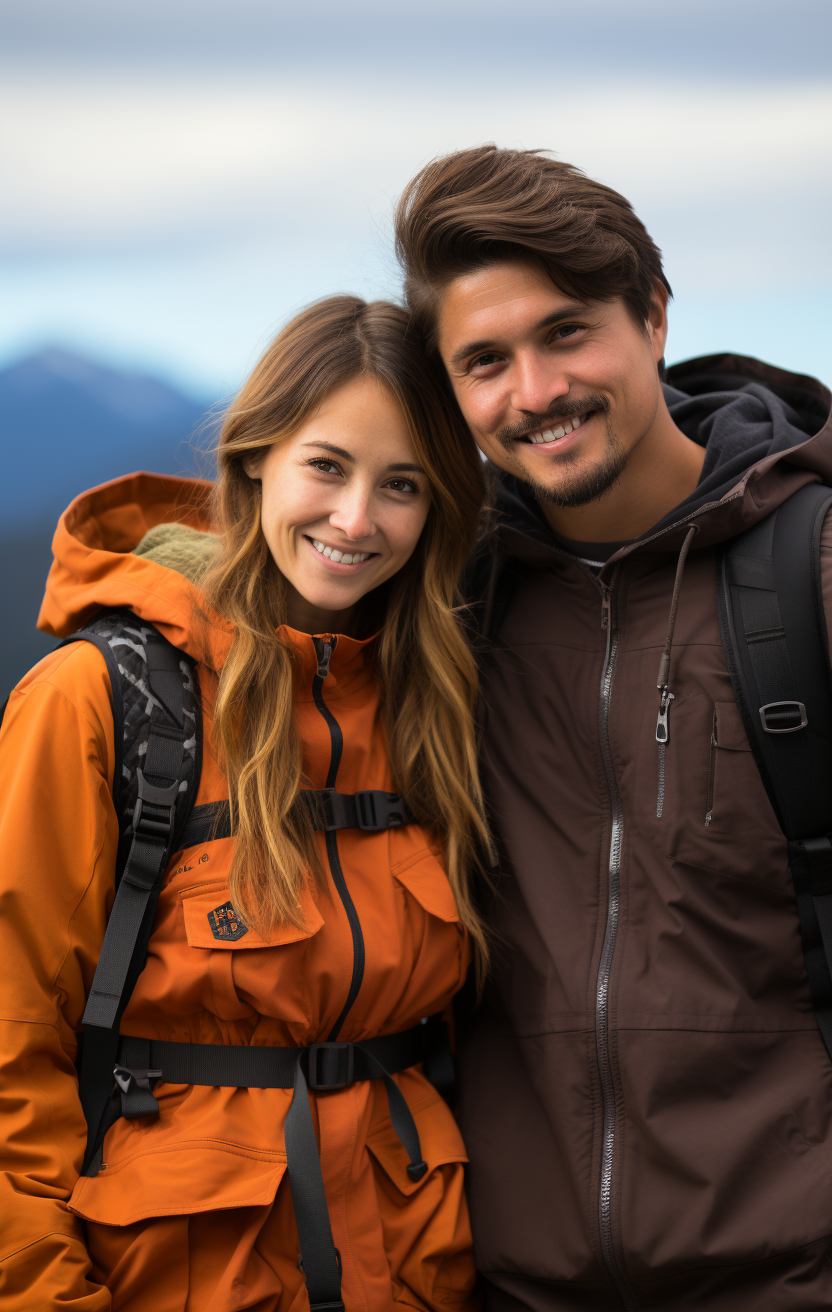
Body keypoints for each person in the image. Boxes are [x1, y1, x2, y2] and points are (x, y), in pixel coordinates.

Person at [394, 145, 832, 1311]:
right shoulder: (448, 613)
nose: (534, 392)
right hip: (509, 1283)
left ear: (655, 317)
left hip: (807, 1278)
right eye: (485, 361)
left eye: (567, 332)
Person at [0, 295, 492, 1312]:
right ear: (257, 456)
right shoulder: (101, 701)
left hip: (415, 1276)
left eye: (402, 484)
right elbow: (11, 1053)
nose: (358, 520)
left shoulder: (440, 710)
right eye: (327, 465)